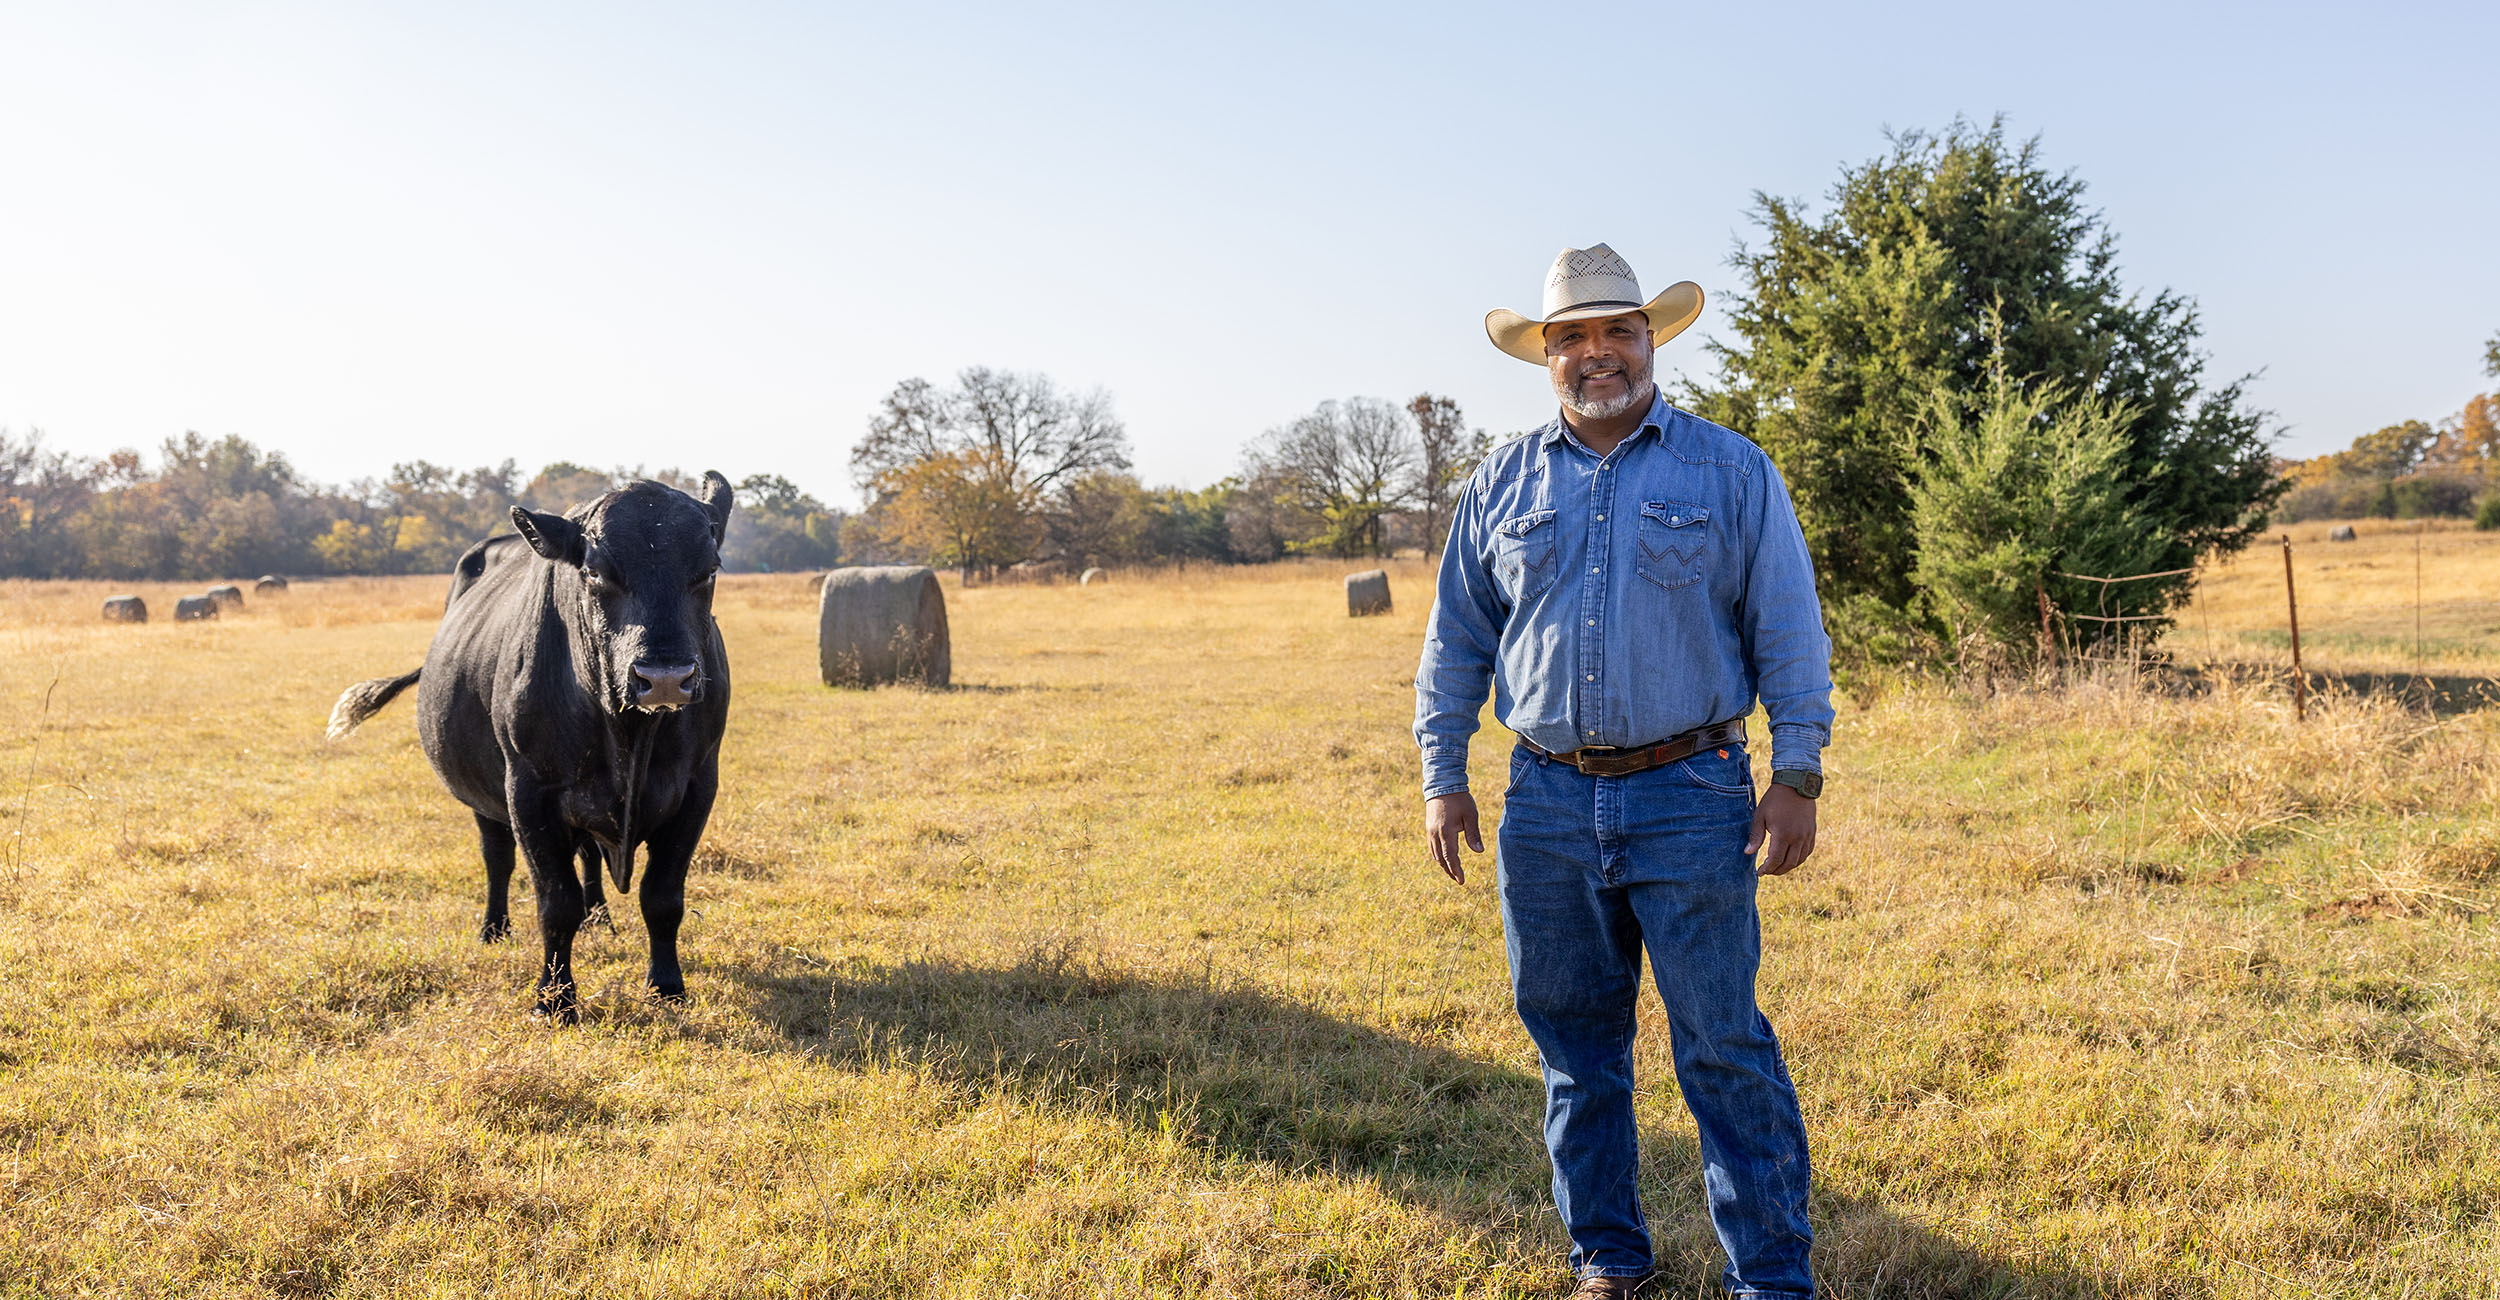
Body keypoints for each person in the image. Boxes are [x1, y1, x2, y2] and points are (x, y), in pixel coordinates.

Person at [1414, 243, 1834, 1299]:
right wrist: (1441, 768)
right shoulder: (1499, 484)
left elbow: (1786, 625)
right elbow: (1456, 637)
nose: (1598, 354)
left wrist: (1798, 770)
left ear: (1652, 340)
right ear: (1545, 355)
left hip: (1689, 794)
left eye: (1618, 331)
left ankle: (1771, 1278)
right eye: (1574, 338)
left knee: (1722, 1045)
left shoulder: (1729, 470)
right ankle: (1606, 1256)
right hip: (1545, 800)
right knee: (1572, 1049)